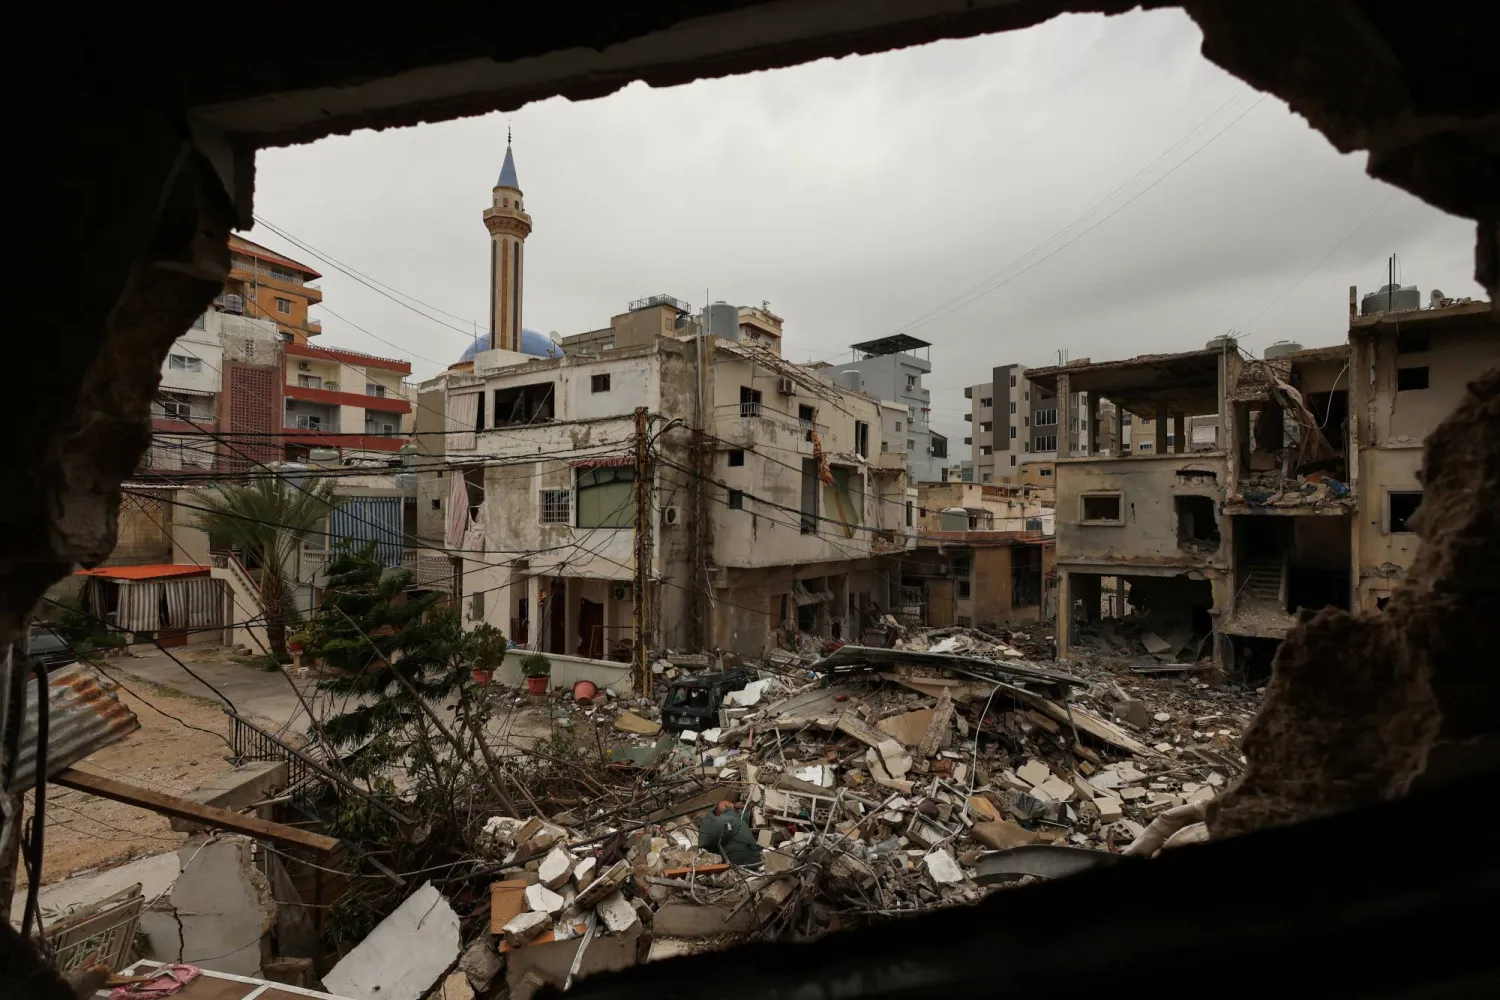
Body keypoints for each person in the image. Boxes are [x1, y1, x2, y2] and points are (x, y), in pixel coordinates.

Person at [697, 800, 763, 869]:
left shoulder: (729, 819)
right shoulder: (737, 821)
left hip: (738, 866)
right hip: (754, 861)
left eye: (719, 804)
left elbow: (706, 839)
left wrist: (708, 815)